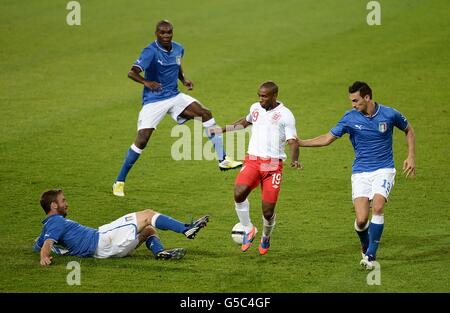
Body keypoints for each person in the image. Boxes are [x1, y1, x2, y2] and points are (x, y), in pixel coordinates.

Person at [113, 19, 242, 197]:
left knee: (205, 113)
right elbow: (132, 72)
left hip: (174, 96)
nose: (166, 36)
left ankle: (223, 159)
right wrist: (146, 82)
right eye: (162, 33)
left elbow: (177, 65)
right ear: (156, 34)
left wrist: (184, 80)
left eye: (169, 32)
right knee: (142, 140)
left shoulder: (179, 48)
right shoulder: (150, 51)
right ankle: (119, 181)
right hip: (154, 101)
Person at [298, 81, 416, 269]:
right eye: (351, 101)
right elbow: (327, 138)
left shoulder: (389, 114)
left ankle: (370, 256)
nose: (353, 105)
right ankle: (365, 244)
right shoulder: (349, 118)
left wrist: (410, 156)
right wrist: (301, 143)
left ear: (367, 97)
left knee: (377, 207)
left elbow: (408, 129)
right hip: (360, 172)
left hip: (384, 169)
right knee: (361, 220)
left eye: (356, 100)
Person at [220, 81, 301, 255]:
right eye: (259, 95)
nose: (260, 99)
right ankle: (249, 228)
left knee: (268, 210)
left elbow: (293, 141)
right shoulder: (255, 108)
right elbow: (245, 122)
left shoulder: (286, 115)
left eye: (264, 96)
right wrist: (223, 129)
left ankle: (266, 236)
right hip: (253, 160)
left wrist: (295, 159)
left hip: (272, 165)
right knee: (239, 193)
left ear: (274, 96)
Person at [34, 189, 209, 266]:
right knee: (147, 215)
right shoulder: (55, 222)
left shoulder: (49, 226)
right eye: (63, 200)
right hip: (102, 239)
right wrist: (44, 256)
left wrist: (42, 250)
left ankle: (160, 252)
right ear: (54, 206)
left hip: (106, 252)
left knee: (148, 230)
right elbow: (47, 243)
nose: (67, 203)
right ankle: (186, 228)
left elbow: (40, 243)